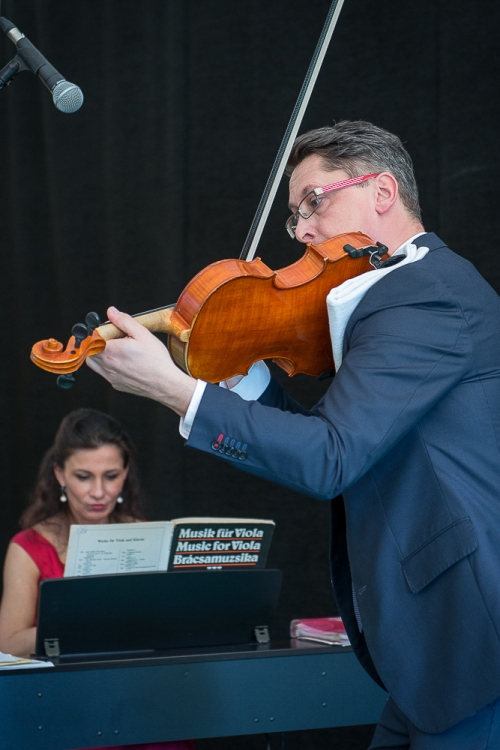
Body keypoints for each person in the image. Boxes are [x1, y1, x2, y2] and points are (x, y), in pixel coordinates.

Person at [85, 120, 500, 749]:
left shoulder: (424, 295)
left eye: (314, 202)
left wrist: (175, 389)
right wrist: (242, 377)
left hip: (469, 637)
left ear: (382, 192)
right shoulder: (400, 294)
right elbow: (337, 441)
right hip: (434, 656)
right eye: (295, 215)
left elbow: (331, 458)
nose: (302, 230)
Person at [0, 408, 194, 750]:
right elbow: (7, 645)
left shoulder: (146, 533)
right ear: (60, 475)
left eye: (111, 476)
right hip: (66, 705)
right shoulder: (29, 546)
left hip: (141, 701)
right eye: (83, 477)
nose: (99, 491)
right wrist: (78, 622)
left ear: (126, 473)